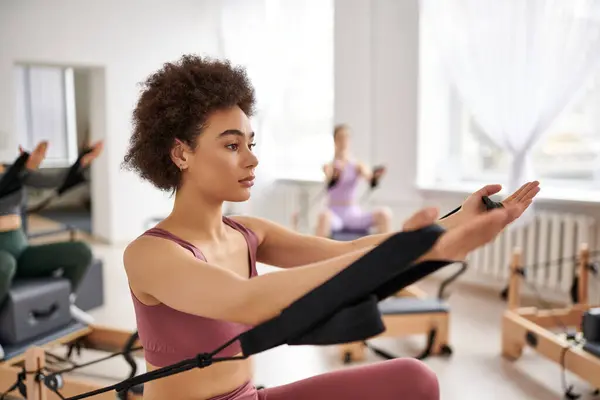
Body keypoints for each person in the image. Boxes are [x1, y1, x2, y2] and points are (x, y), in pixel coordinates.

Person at [122, 54, 540, 400]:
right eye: (232, 145)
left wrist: (453, 225)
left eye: (251, 143)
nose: (251, 159)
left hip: (250, 397)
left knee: (415, 379)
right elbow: (247, 300)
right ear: (180, 153)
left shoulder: (248, 233)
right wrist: (414, 247)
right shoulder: (150, 254)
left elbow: (343, 253)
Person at [0, 140, 103, 325]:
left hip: (20, 251)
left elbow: (54, 180)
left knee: (81, 251)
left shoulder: (13, 172)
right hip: (3, 259)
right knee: (5, 264)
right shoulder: (14, 174)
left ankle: (66, 302)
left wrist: (81, 162)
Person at [315, 124, 392, 237]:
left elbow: (369, 177)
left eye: (347, 137)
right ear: (335, 140)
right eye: (340, 137)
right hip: (334, 214)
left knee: (384, 214)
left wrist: (375, 177)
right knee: (323, 217)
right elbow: (329, 178)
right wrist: (335, 175)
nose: (344, 141)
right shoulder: (329, 166)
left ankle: (387, 253)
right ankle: (318, 254)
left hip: (352, 214)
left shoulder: (357, 165)